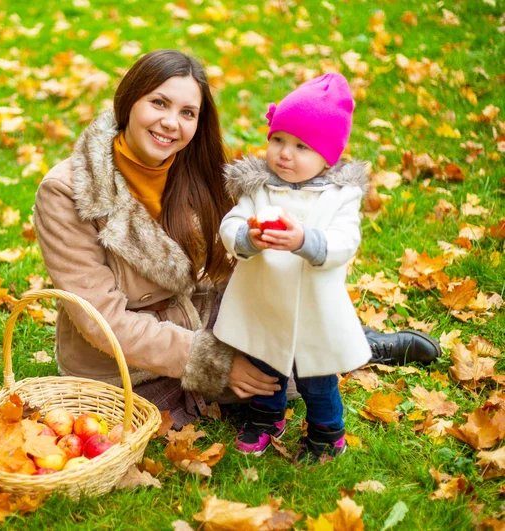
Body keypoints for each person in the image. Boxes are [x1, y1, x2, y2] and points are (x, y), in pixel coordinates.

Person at [33, 50, 441, 429]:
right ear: (128, 102)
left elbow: (271, 211)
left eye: (187, 112)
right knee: (254, 381)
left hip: (201, 311)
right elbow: (101, 320)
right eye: (159, 103)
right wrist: (215, 361)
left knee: (286, 358)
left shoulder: (197, 167)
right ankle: (306, 354)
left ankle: (353, 342)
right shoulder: (68, 191)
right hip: (126, 355)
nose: (171, 123)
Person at [212, 73, 425, 463]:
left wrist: (305, 241)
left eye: (300, 146)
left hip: (313, 309)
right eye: (278, 140)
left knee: (316, 378)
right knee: (265, 365)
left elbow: (346, 241)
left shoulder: (340, 196)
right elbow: (230, 224)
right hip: (262, 301)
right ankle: (266, 417)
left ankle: (328, 433)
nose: (284, 153)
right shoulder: (259, 188)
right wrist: (248, 237)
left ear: (327, 156)